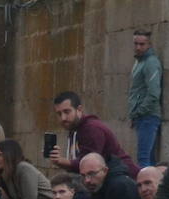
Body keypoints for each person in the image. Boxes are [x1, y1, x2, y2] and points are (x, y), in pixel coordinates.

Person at [48, 91, 138, 179]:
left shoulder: (91, 129)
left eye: (67, 112)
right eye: (59, 114)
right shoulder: (74, 128)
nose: (63, 118)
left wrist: (61, 161)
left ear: (79, 110)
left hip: (123, 178)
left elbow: (88, 165)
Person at [129, 30, 163, 168]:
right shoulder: (139, 62)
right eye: (136, 43)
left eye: (142, 44)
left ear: (149, 45)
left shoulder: (151, 62)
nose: (138, 47)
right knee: (148, 158)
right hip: (142, 116)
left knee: (143, 158)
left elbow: (154, 93)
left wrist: (139, 111)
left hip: (148, 116)